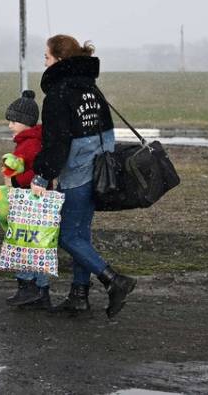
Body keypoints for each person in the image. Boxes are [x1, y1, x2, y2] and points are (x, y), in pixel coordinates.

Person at [30, 34, 136, 319]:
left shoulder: (58, 95)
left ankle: (114, 280)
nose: (44, 61)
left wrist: (42, 175)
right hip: (100, 172)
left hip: (76, 175)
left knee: (66, 236)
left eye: (47, 57)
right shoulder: (91, 89)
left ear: (60, 60)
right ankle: (79, 295)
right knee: (81, 235)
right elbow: (107, 133)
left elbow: (57, 143)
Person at [1, 90, 52, 308]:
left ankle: (27, 287)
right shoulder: (31, 141)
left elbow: (35, 172)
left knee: (25, 245)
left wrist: (14, 180)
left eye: (14, 121)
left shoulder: (30, 144)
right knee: (37, 247)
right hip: (37, 200)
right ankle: (41, 291)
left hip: (31, 200)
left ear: (26, 122)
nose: (10, 125)